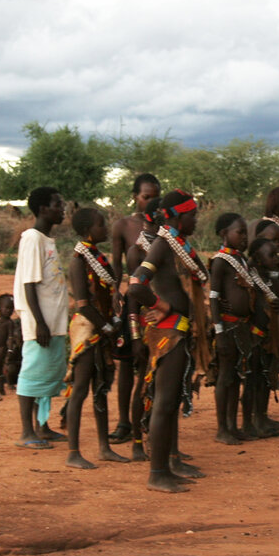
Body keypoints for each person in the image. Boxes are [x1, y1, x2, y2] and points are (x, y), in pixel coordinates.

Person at [128, 189, 209, 492]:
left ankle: (169, 463)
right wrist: (160, 306)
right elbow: (136, 285)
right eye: (192, 215)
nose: (196, 220)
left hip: (180, 329)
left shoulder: (176, 245)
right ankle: (157, 473)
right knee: (163, 403)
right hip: (169, 332)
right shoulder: (162, 245)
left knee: (171, 401)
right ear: (176, 216)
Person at [63, 208, 128, 469]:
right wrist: (107, 327)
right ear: (89, 230)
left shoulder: (97, 258)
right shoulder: (79, 261)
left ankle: (104, 447)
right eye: (102, 225)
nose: (106, 228)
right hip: (88, 330)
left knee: (100, 388)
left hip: (101, 328)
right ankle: (72, 452)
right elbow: (83, 305)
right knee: (80, 390)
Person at [14, 186, 69, 451]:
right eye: (58, 204)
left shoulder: (47, 240)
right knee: (33, 374)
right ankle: (26, 431)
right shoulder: (32, 239)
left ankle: (42, 426)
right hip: (41, 324)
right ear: (43, 209)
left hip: (53, 322)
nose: (63, 208)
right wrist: (39, 322)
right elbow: (29, 284)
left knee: (48, 374)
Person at [107, 174, 161, 445]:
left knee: (155, 363)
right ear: (135, 197)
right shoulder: (123, 226)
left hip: (158, 303)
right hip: (133, 302)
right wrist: (116, 290)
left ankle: (150, 421)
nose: (150, 201)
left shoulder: (164, 228)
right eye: (146, 197)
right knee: (127, 363)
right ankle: (123, 422)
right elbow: (116, 265)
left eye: (154, 197)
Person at [209, 213, 255, 445]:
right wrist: (219, 331)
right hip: (227, 327)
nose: (244, 236)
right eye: (240, 232)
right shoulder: (220, 261)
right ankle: (221, 429)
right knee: (225, 377)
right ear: (224, 234)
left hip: (241, 327)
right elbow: (214, 297)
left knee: (236, 377)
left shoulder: (241, 259)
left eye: (246, 232)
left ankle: (232, 426)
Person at [123, 199, 161, 462]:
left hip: (168, 324)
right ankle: (137, 442)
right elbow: (133, 297)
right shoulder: (137, 251)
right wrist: (136, 337)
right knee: (143, 384)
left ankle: (164, 444)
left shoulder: (168, 246)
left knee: (165, 387)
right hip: (148, 326)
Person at [248, 237, 279, 437]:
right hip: (255, 335)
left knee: (267, 376)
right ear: (257, 258)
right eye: (271, 255)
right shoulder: (251, 275)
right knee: (256, 377)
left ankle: (262, 417)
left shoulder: (274, 275)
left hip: (272, 334)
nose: (275, 258)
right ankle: (254, 420)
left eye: (275, 254)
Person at [0, 294, 21, 396]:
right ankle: (1, 388)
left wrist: (10, 350)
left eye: (11, 308)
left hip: (2, 348)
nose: (9, 310)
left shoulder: (9, 323)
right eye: (6, 308)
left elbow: (11, 337)